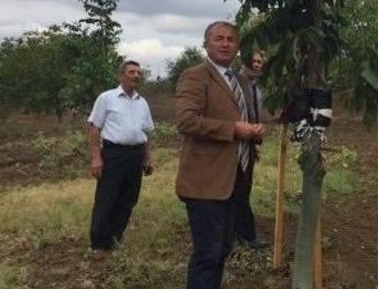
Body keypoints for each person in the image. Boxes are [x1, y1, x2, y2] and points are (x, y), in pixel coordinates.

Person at [175, 21, 266, 289]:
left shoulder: (239, 81)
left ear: (237, 47)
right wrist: (233, 129)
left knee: (223, 248)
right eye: (219, 38)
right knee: (208, 253)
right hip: (205, 182)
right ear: (206, 44)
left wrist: (254, 131)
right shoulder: (195, 76)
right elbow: (186, 121)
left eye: (231, 39)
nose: (225, 43)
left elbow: (244, 119)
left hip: (235, 179)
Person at [87, 60, 155, 257]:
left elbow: (147, 132)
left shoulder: (142, 102)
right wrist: (96, 158)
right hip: (114, 155)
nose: (136, 76)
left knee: (128, 199)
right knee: (107, 198)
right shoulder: (107, 98)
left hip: (136, 155)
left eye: (139, 73)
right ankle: (99, 244)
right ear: (121, 76)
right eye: (131, 72)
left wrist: (147, 158)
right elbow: (94, 127)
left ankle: (115, 239)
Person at [234, 49, 269, 249]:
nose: (257, 64)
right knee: (238, 190)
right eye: (253, 61)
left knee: (244, 188)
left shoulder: (256, 89)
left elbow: (255, 114)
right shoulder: (235, 84)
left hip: (250, 144)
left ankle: (239, 233)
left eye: (260, 62)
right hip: (235, 144)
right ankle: (246, 235)